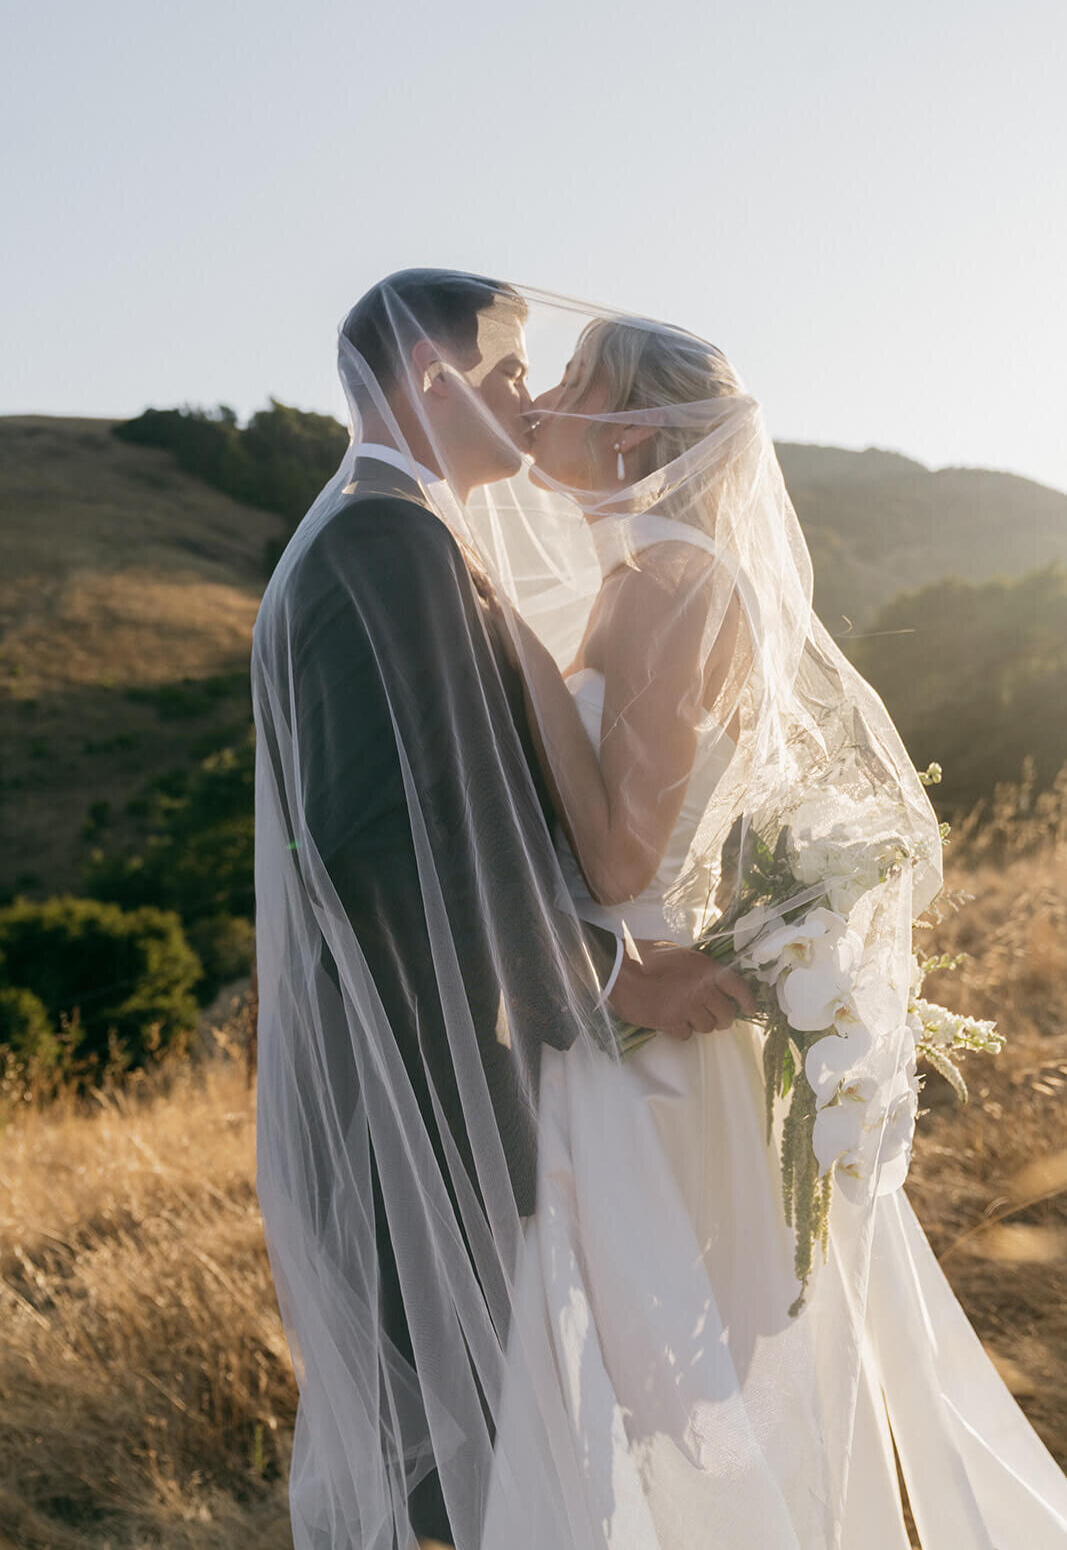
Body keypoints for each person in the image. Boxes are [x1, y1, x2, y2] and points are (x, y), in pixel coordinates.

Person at [469, 309, 1067, 1547]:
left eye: (570, 379)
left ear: (635, 433)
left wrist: (513, 656)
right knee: (647, 1404)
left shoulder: (669, 583)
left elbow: (622, 857)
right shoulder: (647, 574)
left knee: (663, 1404)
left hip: (642, 1040)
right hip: (622, 1012)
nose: (538, 401)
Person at [250, 270, 756, 1550]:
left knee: (541, 1422)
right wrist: (598, 967)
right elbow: (375, 848)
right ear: (434, 380)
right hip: (427, 1063)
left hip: (474, 1051)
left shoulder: (400, 528)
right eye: (512, 370)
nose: (527, 403)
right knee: (499, 1435)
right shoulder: (383, 539)